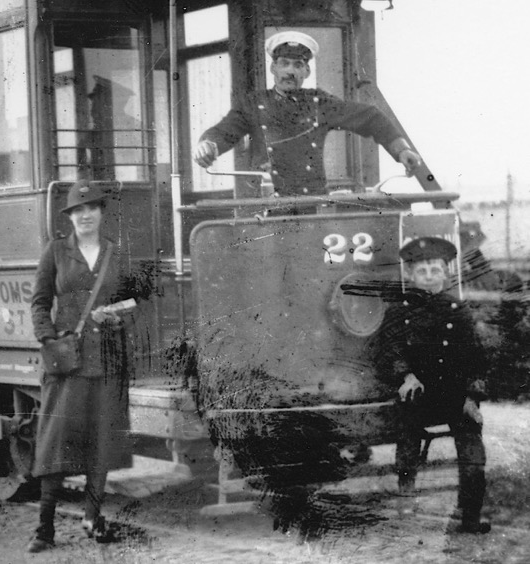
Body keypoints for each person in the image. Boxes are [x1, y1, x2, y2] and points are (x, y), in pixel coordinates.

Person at [28, 180, 157, 552]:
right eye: (77, 210)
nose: (85, 215)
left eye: (91, 208)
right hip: (66, 362)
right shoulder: (55, 252)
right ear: (69, 217)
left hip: (108, 361)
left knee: (101, 444)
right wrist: (49, 339)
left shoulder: (116, 254)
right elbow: (39, 302)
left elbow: (138, 300)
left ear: (101, 213)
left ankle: (92, 518)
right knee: (54, 443)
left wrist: (118, 317)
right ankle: (44, 528)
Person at [193, 31, 422, 197]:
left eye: (297, 65)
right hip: (266, 204)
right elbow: (224, 131)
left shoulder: (318, 102)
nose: (290, 71)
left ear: (306, 71)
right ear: (273, 68)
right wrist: (209, 145)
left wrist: (401, 150)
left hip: (312, 202)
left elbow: (371, 117)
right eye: (284, 64)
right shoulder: (253, 104)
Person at [371, 236, 491, 534]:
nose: (428, 277)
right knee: (408, 436)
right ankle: (406, 498)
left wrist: (472, 397)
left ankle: (469, 514)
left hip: (454, 394)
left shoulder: (458, 310)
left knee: (473, 450)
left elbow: (477, 356)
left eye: (435, 270)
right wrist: (405, 376)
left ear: (446, 273)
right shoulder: (400, 310)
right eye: (421, 271)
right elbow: (389, 350)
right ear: (410, 275)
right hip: (418, 392)